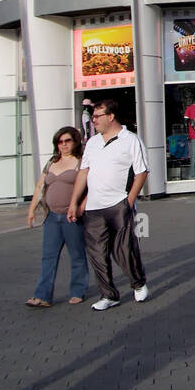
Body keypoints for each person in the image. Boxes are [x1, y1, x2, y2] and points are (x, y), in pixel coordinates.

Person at [68, 100, 150, 311]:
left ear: (110, 116)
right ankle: (109, 295)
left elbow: (141, 172)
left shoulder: (130, 140)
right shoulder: (93, 143)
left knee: (123, 249)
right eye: (93, 117)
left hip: (118, 204)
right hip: (94, 208)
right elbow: (83, 173)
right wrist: (75, 202)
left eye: (97, 116)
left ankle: (138, 283)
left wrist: (129, 201)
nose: (93, 121)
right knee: (97, 253)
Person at [25, 127, 89, 306]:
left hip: (71, 217)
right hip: (52, 217)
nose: (64, 145)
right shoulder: (52, 162)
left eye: (67, 141)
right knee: (48, 257)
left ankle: (78, 291)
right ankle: (43, 296)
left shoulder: (80, 162)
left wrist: (80, 208)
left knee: (76, 255)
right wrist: (31, 210)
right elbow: (39, 187)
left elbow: (90, 188)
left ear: (75, 141)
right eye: (60, 142)